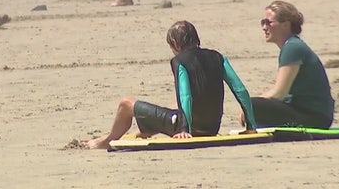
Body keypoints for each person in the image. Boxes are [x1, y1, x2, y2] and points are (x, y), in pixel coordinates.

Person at [85, 20, 257, 149]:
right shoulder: (218, 57)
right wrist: (251, 127)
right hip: (212, 127)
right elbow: (240, 89)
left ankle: (107, 141)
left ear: (175, 43)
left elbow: (185, 95)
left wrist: (184, 129)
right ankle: (144, 130)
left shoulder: (179, 61)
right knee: (172, 107)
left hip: (188, 129)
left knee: (126, 104)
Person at [244, 1, 334, 129]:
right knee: (254, 106)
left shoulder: (292, 48)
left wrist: (247, 106)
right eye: (263, 22)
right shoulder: (292, 45)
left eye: (268, 22)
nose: (264, 27)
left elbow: (279, 94)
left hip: (314, 118)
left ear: (285, 25)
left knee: (252, 105)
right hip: (312, 114)